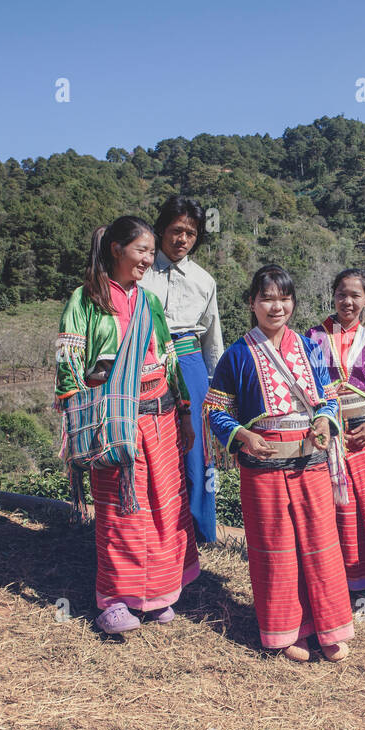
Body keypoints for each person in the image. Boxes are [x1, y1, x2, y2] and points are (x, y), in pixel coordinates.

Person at [203, 265, 354, 663]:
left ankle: (328, 627)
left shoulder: (309, 348)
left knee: (320, 545)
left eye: (284, 298)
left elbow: (330, 398)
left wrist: (324, 419)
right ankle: (288, 630)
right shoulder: (236, 355)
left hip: (311, 463)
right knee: (276, 549)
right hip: (263, 468)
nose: (277, 306)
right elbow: (215, 411)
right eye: (267, 298)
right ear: (252, 303)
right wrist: (244, 436)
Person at [56, 216, 198, 635]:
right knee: (122, 510)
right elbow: (68, 366)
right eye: (141, 250)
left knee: (162, 505)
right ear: (116, 249)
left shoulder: (149, 302)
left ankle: (158, 594)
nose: (148, 259)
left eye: (152, 253)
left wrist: (185, 411)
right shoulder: (84, 301)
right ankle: (115, 599)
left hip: (161, 415)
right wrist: (79, 417)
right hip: (114, 419)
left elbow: (170, 359)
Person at [306, 269, 365, 602]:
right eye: (342, 294)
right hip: (328, 432)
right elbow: (307, 387)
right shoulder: (313, 338)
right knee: (334, 504)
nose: (348, 301)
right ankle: (336, 579)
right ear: (333, 295)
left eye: (355, 295)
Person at [138, 196, 223, 543]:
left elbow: (212, 338)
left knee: (196, 449)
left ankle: (200, 530)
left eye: (190, 233)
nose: (182, 239)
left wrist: (216, 389)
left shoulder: (204, 281)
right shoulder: (140, 272)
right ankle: (151, 528)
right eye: (176, 230)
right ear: (161, 230)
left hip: (190, 365)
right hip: (146, 361)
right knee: (151, 442)